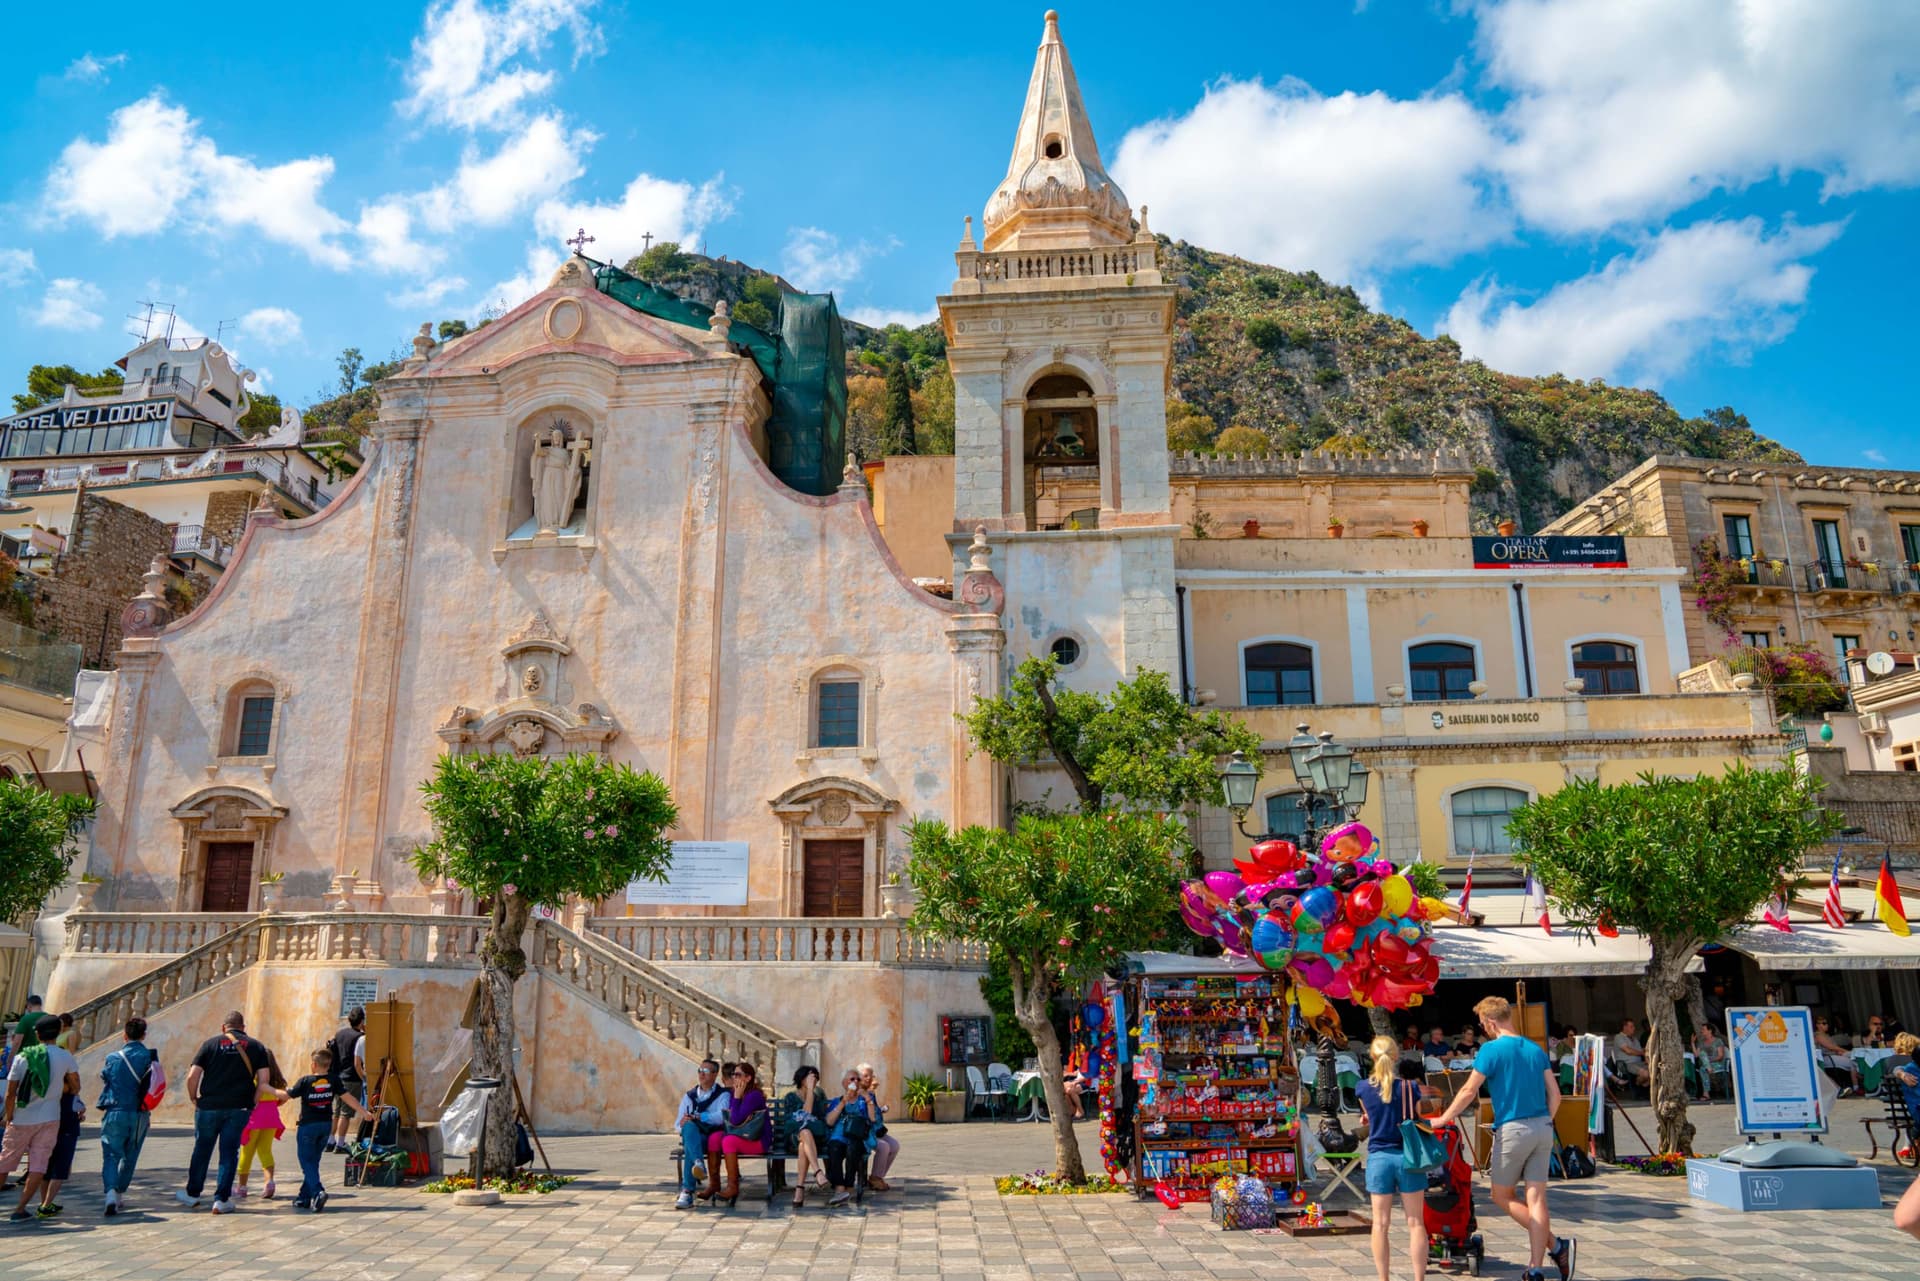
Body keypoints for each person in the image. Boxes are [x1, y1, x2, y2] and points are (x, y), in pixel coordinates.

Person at [1435, 996, 1574, 1281]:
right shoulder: (1535, 1049)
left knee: (1501, 1195)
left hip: (1513, 1129)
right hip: (1543, 1127)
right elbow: (1556, 1095)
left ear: (1490, 1022)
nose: (1483, 1028)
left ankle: (1557, 1246)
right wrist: (1546, 1119)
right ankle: (1536, 1266)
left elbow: (1468, 1091)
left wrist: (1443, 1118)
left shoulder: (1491, 1050)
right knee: (1536, 1198)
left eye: (1483, 1023)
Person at [178, 1010, 275, 1214]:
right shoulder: (256, 1046)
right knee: (229, 1152)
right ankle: (221, 1200)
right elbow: (264, 1080)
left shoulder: (210, 1044)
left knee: (202, 1149)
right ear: (243, 1027)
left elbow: (192, 1076)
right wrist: (253, 1101)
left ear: (224, 1027)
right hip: (239, 1107)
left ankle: (193, 1193)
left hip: (209, 1106)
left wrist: (194, 1097)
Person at [1354, 1035, 1429, 1281]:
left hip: (1379, 1157)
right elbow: (1416, 1119)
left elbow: (1371, 1116)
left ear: (1372, 1057)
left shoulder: (1363, 1088)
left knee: (1380, 1224)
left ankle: (1383, 1278)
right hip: (1408, 1157)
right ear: (1396, 1056)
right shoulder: (1411, 1088)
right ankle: (1419, 1278)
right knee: (1416, 1222)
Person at [1, 1017, 80, 1221]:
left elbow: (11, 1093)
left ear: (37, 1034)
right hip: (50, 1117)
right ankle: (20, 1208)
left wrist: (9, 1116)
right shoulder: (65, 1057)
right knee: (38, 1164)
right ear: (58, 1032)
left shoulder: (23, 1057)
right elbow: (76, 1086)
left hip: (21, 1117)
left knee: (6, 1161)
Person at [283, 1046, 369, 1213]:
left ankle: (318, 1191)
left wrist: (268, 1090)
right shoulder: (333, 1080)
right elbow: (347, 1097)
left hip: (308, 1126)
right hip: (325, 1127)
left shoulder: (305, 1081)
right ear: (328, 1065)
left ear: (313, 1064)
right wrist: (363, 1112)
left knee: (306, 1162)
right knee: (313, 1162)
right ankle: (303, 1197)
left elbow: (287, 1095)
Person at [98, 1016, 163, 1216]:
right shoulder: (150, 1057)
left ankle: (110, 1192)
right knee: (130, 1155)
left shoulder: (112, 1058)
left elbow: (105, 1076)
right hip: (139, 1113)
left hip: (115, 1111)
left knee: (111, 1154)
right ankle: (119, 1193)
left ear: (124, 1035)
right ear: (144, 1035)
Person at [703, 1062, 767, 1207]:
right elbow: (732, 1118)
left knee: (728, 1141)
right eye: (733, 1074)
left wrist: (737, 1097)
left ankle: (733, 1187)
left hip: (757, 1140)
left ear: (748, 1078)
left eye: (738, 1075)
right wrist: (736, 1096)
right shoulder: (734, 1093)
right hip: (742, 1135)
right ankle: (714, 1184)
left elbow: (736, 1119)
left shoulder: (754, 1096)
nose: (734, 1078)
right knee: (714, 1139)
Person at [672, 1060, 730, 1209]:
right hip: (694, 1136)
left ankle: (687, 1191)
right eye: (700, 1070)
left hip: (711, 1137)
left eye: (706, 1071)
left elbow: (721, 1116)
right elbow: (677, 1125)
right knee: (689, 1128)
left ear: (715, 1074)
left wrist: (700, 1117)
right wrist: (684, 1123)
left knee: (691, 1145)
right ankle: (699, 1164)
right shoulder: (689, 1096)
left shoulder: (723, 1095)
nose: (702, 1074)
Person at [236, 1050, 289, 1199]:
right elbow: (284, 1098)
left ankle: (242, 1186)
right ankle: (269, 1182)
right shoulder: (277, 1080)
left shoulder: (253, 1079)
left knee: (247, 1152)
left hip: (253, 1119)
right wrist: (274, 1104)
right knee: (265, 1150)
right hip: (271, 1117)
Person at [822, 1068, 876, 1207]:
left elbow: (872, 1119)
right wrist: (843, 1102)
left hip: (857, 1137)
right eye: (852, 1079)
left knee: (852, 1148)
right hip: (839, 1136)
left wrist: (868, 1098)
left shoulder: (863, 1101)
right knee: (834, 1147)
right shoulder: (837, 1101)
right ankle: (839, 1188)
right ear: (845, 1083)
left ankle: (849, 1186)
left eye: (858, 1079)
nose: (856, 1081)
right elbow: (829, 1121)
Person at [782, 1065, 832, 1207]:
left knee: (804, 1143)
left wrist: (811, 1092)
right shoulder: (790, 1097)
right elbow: (805, 1114)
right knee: (804, 1132)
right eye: (810, 1077)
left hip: (813, 1141)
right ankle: (818, 1172)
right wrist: (810, 1090)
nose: (813, 1080)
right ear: (801, 1078)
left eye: (815, 1077)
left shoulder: (818, 1096)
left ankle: (800, 1188)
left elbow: (817, 1117)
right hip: (793, 1137)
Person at [326, 1007, 367, 1154]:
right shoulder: (360, 1037)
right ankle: (341, 1143)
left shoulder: (340, 1034)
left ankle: (330, 1140)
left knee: (336, 1111)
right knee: (346, 1113)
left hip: (338, 1076)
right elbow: (358, 1061)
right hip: (352, 1078)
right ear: (361, 1020)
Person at [856, 1063, 899, 1190]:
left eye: (870, 1075)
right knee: (884, 1147)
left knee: (895, 1145)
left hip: (875, 1130)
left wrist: (881, 1110)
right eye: (865, 1075)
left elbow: (874, 1114)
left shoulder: (870, 1093)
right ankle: (875, 1178)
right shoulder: (856, 1093)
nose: (869, 1078)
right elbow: (864, 1115)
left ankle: (878, 1176)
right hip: (863, 1132)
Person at [1814, 1016, 1862, 1097]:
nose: (1826, 1025)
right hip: (1826, 1058)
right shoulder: (1818, 1035)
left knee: (1856, 1058)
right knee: (1852, 1062)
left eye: (1827, 1023)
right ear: (1817, 1025)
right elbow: (1831, 1047)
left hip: (1834, 1055)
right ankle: (1856, 1087)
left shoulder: (1827, 1035)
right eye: (1824, 1023)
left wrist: (1841, 1052)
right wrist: (1845, 1051)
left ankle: (1859, 1085)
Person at [1692, 1023, 1730, 1101]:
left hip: (1718, 1064)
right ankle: (1706, 1094)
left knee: (1704, 1066)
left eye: (1703, 1029)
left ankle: (1706, 1094)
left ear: (1710, 1031)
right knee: (1703, 1059)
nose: (1701, 1031)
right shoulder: (1702, 1042)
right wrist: (1692, 1043)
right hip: (1708, 1066)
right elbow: (1696, 1055)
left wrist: (1708, 1061)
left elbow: (1720, 1056)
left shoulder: (1718, 1041)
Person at [1610, 1019, 1649, 1090]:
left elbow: (1641, 1051)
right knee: (1646, 1074)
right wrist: (1642, 1053)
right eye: (1631, 1026)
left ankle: (1642, 1087)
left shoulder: (1635, 1039)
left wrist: (1645, 1053)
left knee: (1656, 1072)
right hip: (1628, 1064)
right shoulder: (1619, 1037)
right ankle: (1636, 1085)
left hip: (1639, 1063)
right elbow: (1628, 1051)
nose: (1634, 1028)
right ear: (1625, 1028)